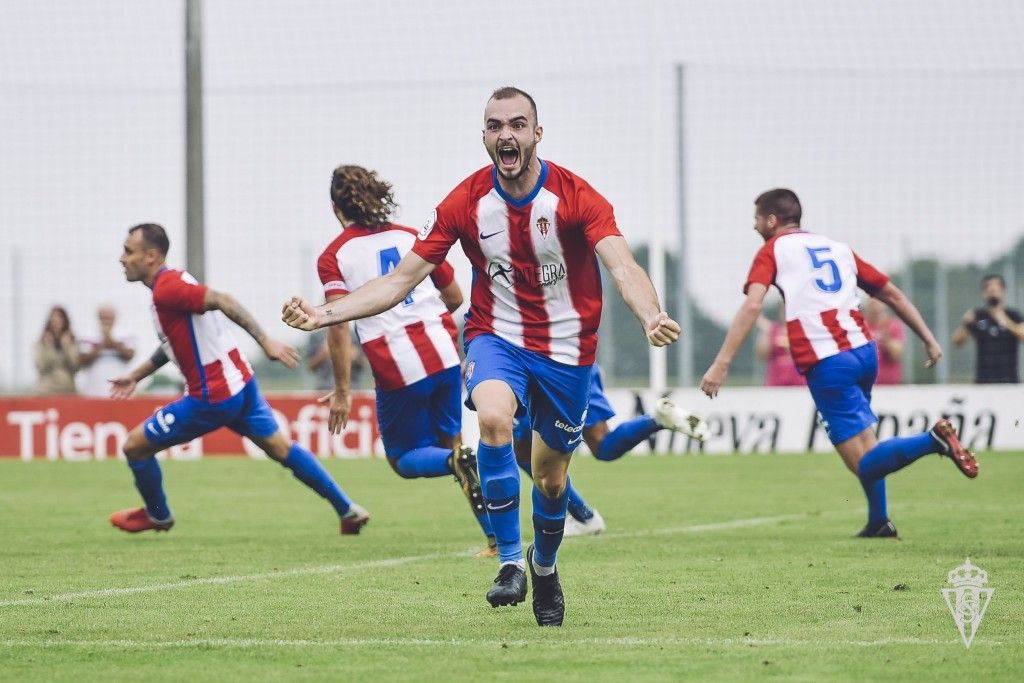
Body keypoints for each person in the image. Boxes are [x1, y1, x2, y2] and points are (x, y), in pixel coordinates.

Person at [283, 86, 680, 626]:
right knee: (493, 418)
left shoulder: (576, 196)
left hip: (566, 351)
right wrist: (325, 315)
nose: (507, 134)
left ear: (537, 133)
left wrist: (650, 314)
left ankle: (544, 568)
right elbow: (401, 280)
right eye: (496, 126)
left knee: (550, 478)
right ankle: (510, 561)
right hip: (497, 336)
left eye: (518, 124)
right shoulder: (464, 202)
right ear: (485, 137)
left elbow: (623, 266)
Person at [699, 189, 978, 538]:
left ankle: (932, 441)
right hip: (864, 352)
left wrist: (721, 364)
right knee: (866, 440)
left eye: (757, 218)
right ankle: (879, 521)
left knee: (863, 463)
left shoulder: (772, 249)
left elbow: (753, 306)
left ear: (771, 220)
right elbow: (891, 293)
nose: (754, 225)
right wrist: (928, 338)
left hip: (827, 359)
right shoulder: (837, 247)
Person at [108, 223, 369, 535]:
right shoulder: (171, 284)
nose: (122, 258)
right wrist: (136, 376)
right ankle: (348, 510)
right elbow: (174, 342)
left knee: (135, 446)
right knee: (281, 448)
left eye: (128, 251)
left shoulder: (168, 289)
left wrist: (266, 342)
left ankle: (158, 515)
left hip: (213, 395)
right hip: (241, 384)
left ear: (150, 256)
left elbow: (224, 300)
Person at [315, 163, 491, 546]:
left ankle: (452, 463)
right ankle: (495, 539)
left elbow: (337, 323)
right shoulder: (412, 236)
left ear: (335, 208)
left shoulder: (334, 256)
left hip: (397, 365)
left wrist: (343, 391)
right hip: (445, 355)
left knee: (403, 459)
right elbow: (456, 297)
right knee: (458, 449)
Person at [511, 364, 707, 540]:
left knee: (524, 454)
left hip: (536, 368)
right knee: (603, 446)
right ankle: (655, 420)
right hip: (579, 364)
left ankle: (584, 517)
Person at [952, 274, 1024, 383]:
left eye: (996, 287)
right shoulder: (978, 315)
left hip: (1009, 379)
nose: (992, 290)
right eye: (988, 287)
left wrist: (1004, 320)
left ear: (1003, 291)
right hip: (983, 380)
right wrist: (966, 324)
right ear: (983, 293)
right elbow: (957, 342)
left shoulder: (1013, 315)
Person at [77, 304, 137, 396]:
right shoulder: (88, 335)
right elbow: (83, 359)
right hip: (94, 389)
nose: (106, 321)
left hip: (120, 389)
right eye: (103, 317)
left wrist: (111, 340)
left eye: (108, 317)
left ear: (115, 317)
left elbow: (130, 355)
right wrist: (102, 344)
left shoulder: (126, 333)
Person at [755, 305, 805, 386]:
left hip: (799, 381)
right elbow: (762, 355)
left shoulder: (803, 329)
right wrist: (767, 332)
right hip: (776, 380)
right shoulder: (772, 329)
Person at [34, 305, 79, 394]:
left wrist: (67, 348)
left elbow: (75, 366)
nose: (56, 321)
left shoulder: (71, 341)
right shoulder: (42, 343)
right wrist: (49, 347)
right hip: (45, 390)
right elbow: (41, 367)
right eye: (53, 317)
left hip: (67, 390)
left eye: (59, 317)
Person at [862, 297, 904, 385]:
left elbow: (897, 355)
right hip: (866, 385)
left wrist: (886, 337)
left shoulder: (893, 325)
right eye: (871, 299)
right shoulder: (860, 326)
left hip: (889, 385)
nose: (875, 303)